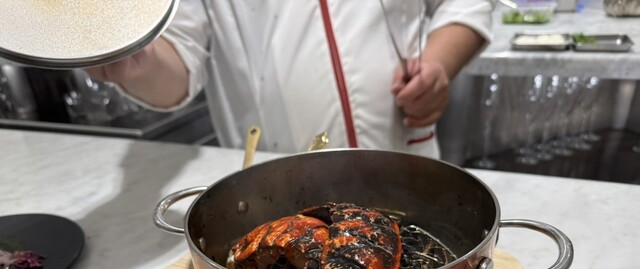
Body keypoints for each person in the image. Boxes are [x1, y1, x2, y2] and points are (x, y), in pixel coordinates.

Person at [88, 0, 495, 158]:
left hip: (403, 160)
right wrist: (134, 60)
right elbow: (178, 63)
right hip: (277, 184)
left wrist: (438, 64)